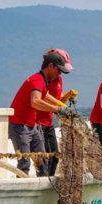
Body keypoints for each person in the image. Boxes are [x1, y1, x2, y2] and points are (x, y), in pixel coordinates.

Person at [8, 51, 72, 176]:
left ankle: (43, 190)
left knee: (42, 160)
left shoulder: (43, 81)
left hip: (32, 126)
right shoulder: (37, 80)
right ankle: (22, 193)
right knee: (24, 163)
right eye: (59, 70)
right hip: (19, 126)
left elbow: (45, 95)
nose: (60, 74)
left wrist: (61, 105)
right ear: (50, 66)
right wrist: (58, 109)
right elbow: (35, 101)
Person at [36, 48, 77, 176]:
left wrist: (67, 96)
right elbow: (45, 97)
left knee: (55, 156)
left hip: (49, 122)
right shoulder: (43, 79)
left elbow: (58, 100)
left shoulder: (59, 80)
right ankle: (43, 179)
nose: (60, 73)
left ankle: (50, 179)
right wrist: (59, 105)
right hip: (38, 122)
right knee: (44, 157)